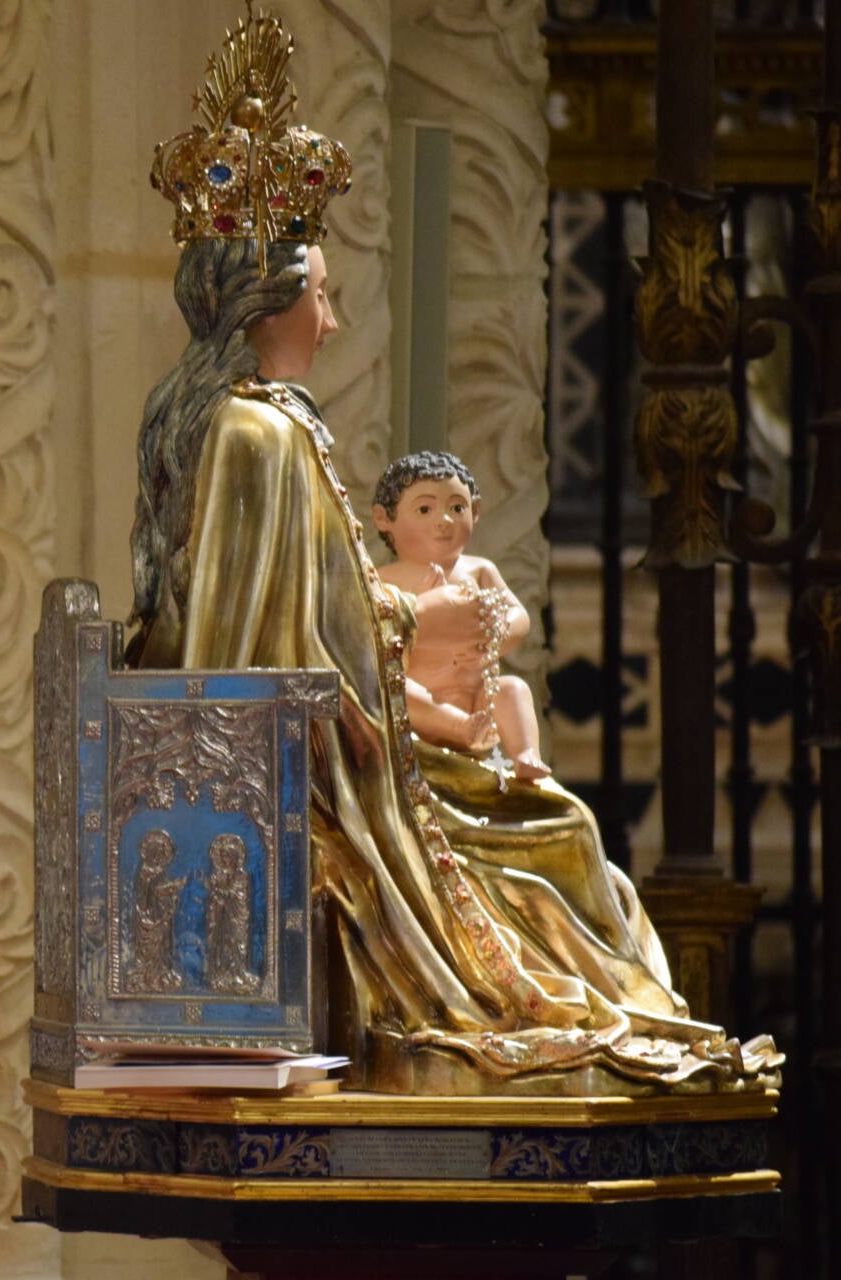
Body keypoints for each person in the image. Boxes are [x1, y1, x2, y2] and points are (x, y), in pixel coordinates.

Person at [125, 10, 776, 1094]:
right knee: (555, 832)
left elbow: (306, 607)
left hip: (350, 728)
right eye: (324, 296)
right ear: (276, 297)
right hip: (325, 766)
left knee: (553, 820)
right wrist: (378, 676)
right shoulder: (261, 429)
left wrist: (397, 637)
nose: (332, 322)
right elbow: (254, 631)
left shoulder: (263, 418)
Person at [371, 450, 551, 780]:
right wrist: (423, 609)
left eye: (457, 508)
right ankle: (459, 726)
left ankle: (525, 753)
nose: (445, 520)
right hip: (423, 697)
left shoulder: (480, 570)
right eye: (425, 509)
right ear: (384, 518)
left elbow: (519, 617)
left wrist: (494, 634)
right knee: (397, 692)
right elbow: (374, 639)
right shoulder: (383, 579)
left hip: (477, 691)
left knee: (512, 689)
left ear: (476, 511)